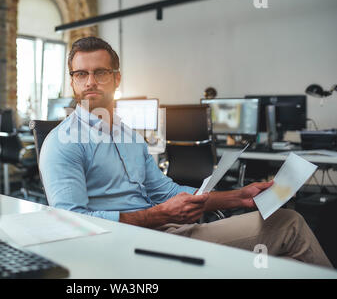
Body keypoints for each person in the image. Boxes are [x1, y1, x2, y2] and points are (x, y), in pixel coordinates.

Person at [39, 36, 332, 268]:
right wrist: (156, 216)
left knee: (285, 259)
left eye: (100, 72)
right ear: (72, 80)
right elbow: (72, 222)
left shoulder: (127, 134)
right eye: (81, 74)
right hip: (128, 243)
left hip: (162, 230)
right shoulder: (62, 142)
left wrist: (237, 197)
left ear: (117, 79)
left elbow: (165, 190)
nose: (90, 82)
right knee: (289, 226)